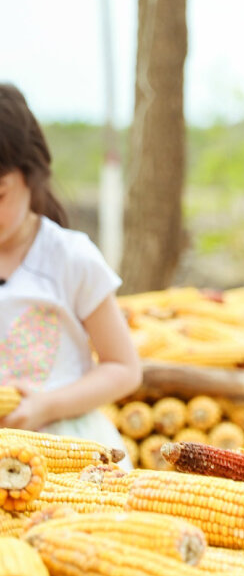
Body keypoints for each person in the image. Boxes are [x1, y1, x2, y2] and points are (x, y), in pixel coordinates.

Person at [0, 83, 140, 445]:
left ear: (31, 175)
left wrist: (47, 406)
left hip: (67, 445)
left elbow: (124, 368)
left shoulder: (70, 258)